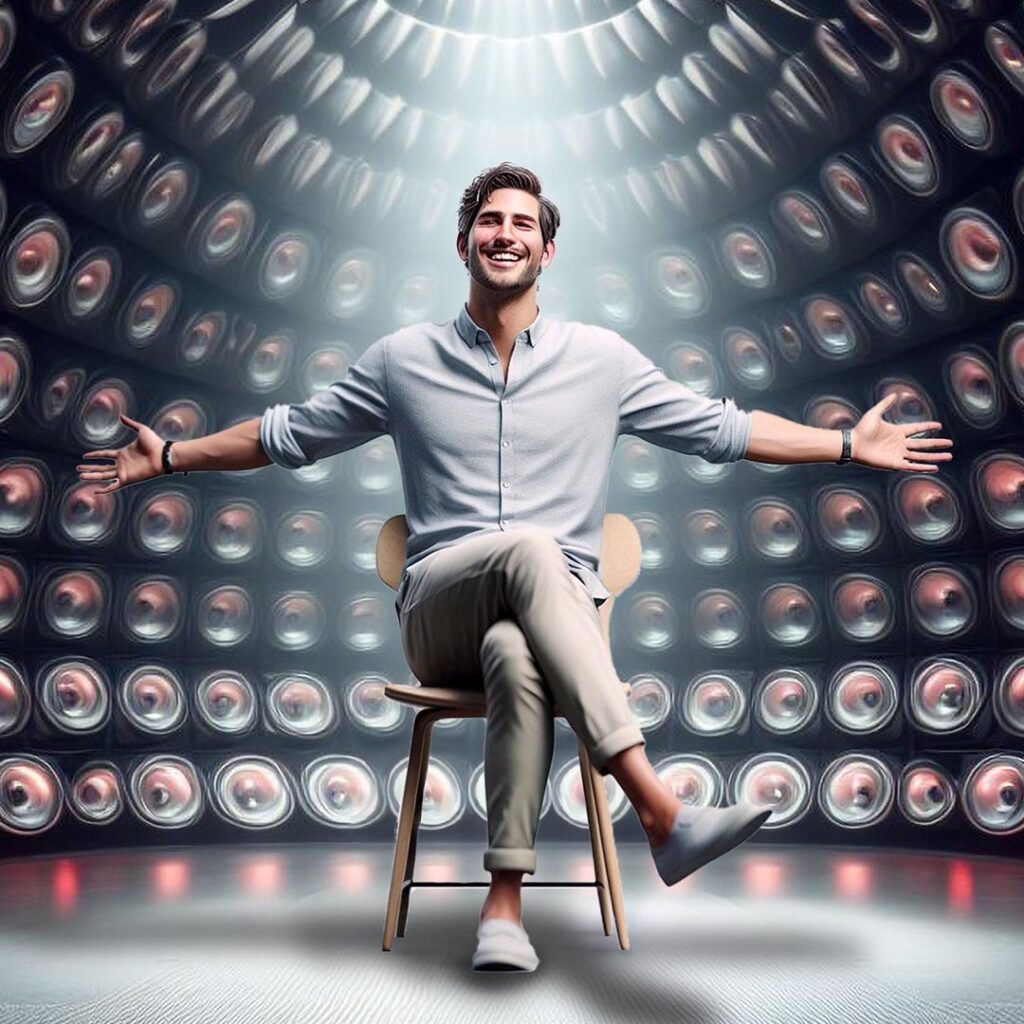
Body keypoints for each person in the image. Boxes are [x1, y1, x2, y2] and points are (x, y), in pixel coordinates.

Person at [78, 162, 954, 973]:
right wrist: (172, 457)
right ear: (464, 244)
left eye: (522, 224)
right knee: (533, 553)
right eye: (489, 221)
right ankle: (658, 806)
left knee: (517, 647)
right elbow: (288, 435)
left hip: (543, 623)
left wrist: (845, 444)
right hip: (435, 614)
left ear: (548, 248)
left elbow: (720, 429)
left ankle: (503, 912)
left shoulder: (603, 361)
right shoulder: (401, 360)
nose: (505, 234)